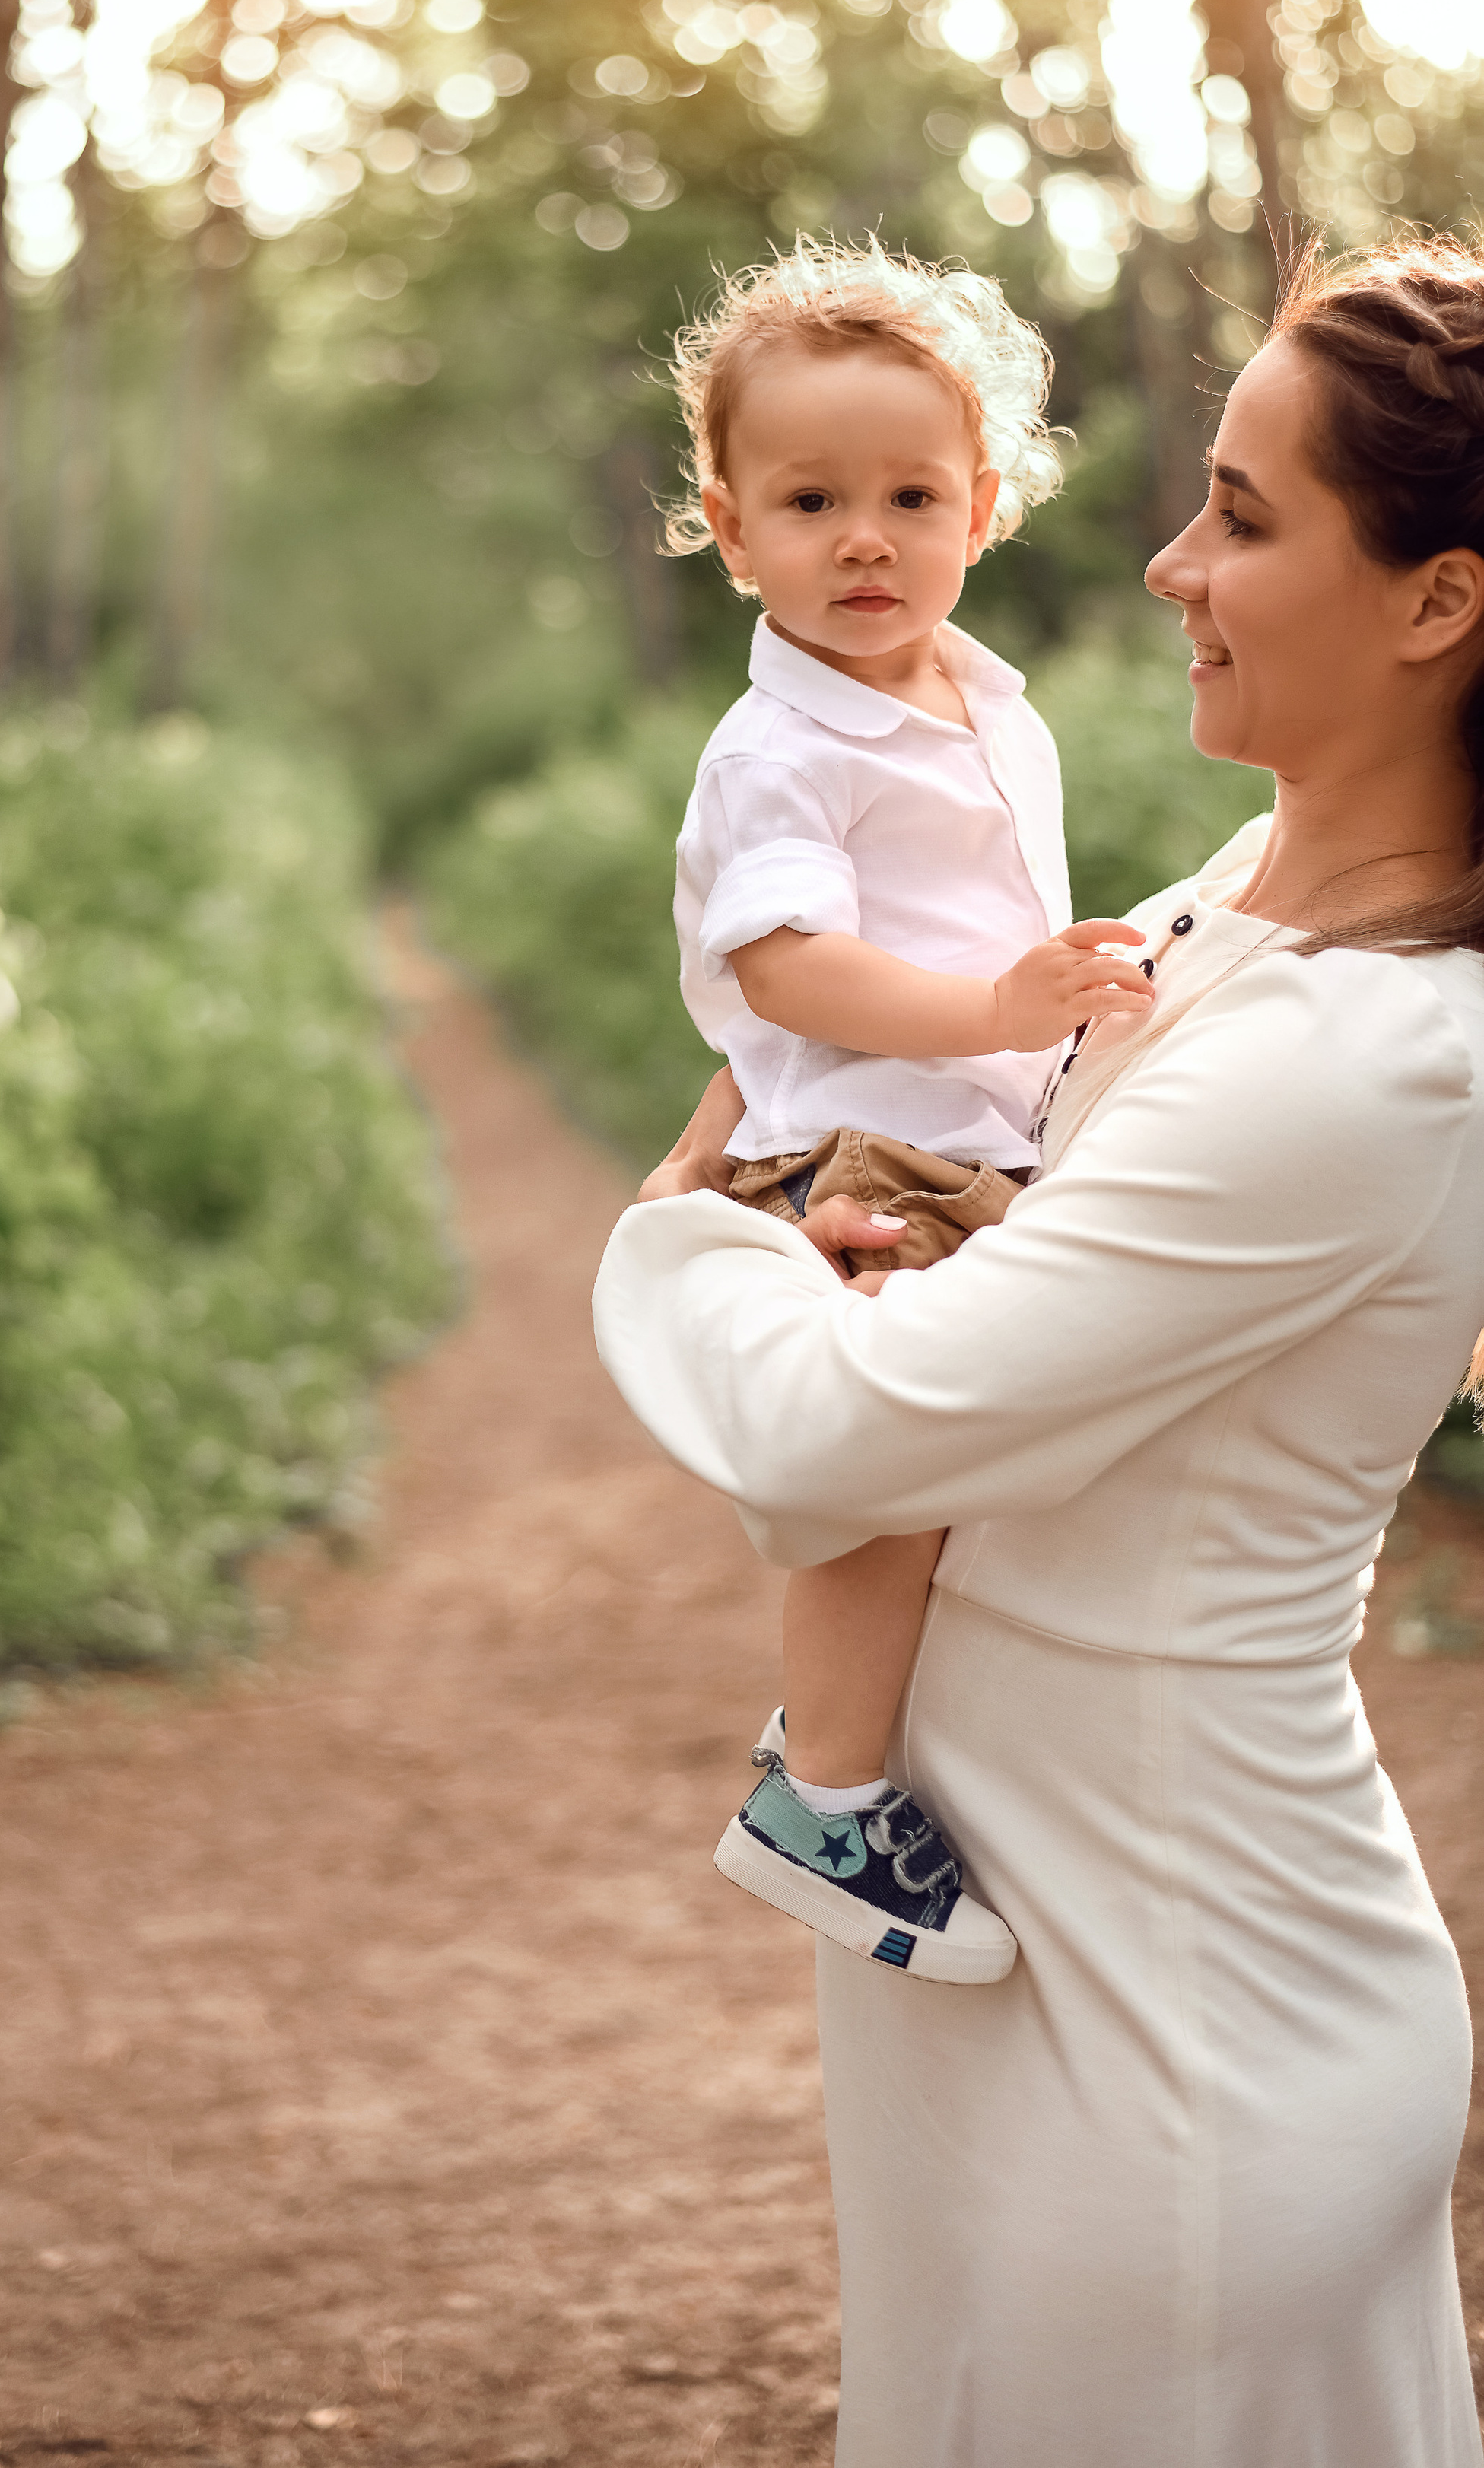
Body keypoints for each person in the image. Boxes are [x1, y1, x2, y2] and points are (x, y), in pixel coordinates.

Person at [594, 235, 1484, 2468]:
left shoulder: (1369, 1050)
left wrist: (674, 1236)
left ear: (1441, 603)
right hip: (1038, 1967)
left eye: (1251, 518)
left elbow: (836, 1431)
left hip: (1170, 2025)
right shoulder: (1206, 925)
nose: (1175, 560)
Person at [647, 240, 1155, 1980]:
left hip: (980, 1132)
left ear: (983, 505)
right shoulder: (781, 745)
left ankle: (990, 1751)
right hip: (882, 1152)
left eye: (907, 495)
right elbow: (785, 967)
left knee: (1023, 1451)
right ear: (729, 531)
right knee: (895, 1480)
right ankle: (822, 1786)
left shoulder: (979, 700)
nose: (862, 538)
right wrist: (996, 1009)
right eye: (807, 501)